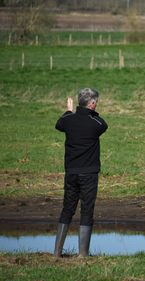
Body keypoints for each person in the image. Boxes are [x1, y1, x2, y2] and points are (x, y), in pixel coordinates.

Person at [53, 88, 108, 258]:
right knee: (86, 211)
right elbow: (103, 125)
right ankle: (83, 254)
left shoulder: (68, 120)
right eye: (96, 102)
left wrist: (69, 110)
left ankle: (56, 253)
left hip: (71, 172)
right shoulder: (95, 122)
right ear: (92, 104)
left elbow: (59, 124)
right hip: (89, 173)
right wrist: (91, 113)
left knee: (67, 210)